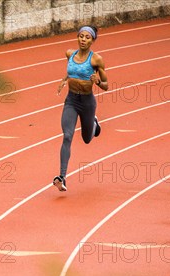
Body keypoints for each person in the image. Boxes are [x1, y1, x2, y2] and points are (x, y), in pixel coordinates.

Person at [53, 25, 108, 191]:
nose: (83, 39)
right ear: (77, 37)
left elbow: (106, 85)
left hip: (87, 102)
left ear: (92, 40)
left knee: (86, 139)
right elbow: (72, 71)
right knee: (67, 136)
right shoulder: (70, 54)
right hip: (71, 100)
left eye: (87, 37)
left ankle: (94, 125)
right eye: (81, 36)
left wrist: (97, 81)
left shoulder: (96, 60)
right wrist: (64, 80)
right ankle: (62, 177)